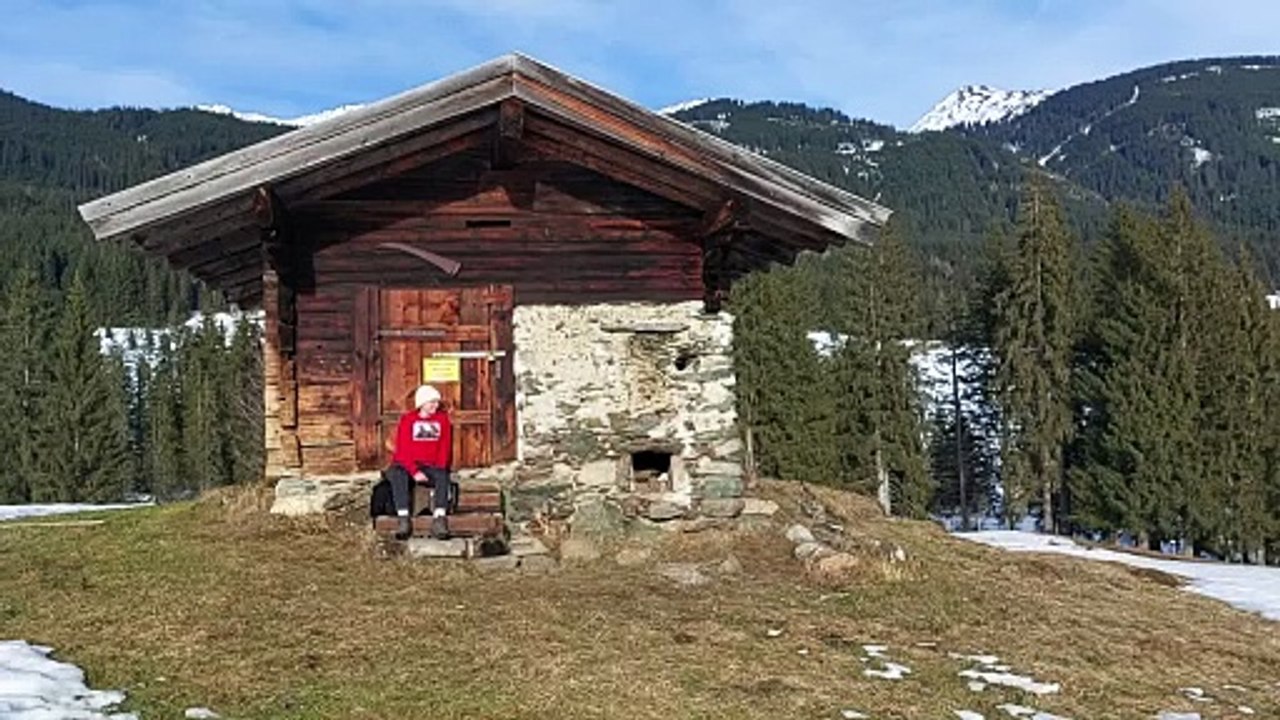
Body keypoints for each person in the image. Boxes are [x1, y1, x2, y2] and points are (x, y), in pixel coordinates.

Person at [383, 384, 453, 540]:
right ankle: (403, 518)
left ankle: (439, 518)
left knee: (442, 476)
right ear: (422, 403)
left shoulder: (442, 420)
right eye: (432, 402)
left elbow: (444, 447)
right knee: (398, 473)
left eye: (437, 402)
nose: (435, 405)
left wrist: (439, 467)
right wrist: (414, 471)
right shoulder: (408, 420)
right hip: (410, 465)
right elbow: (403, 450)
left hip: (431, 465)